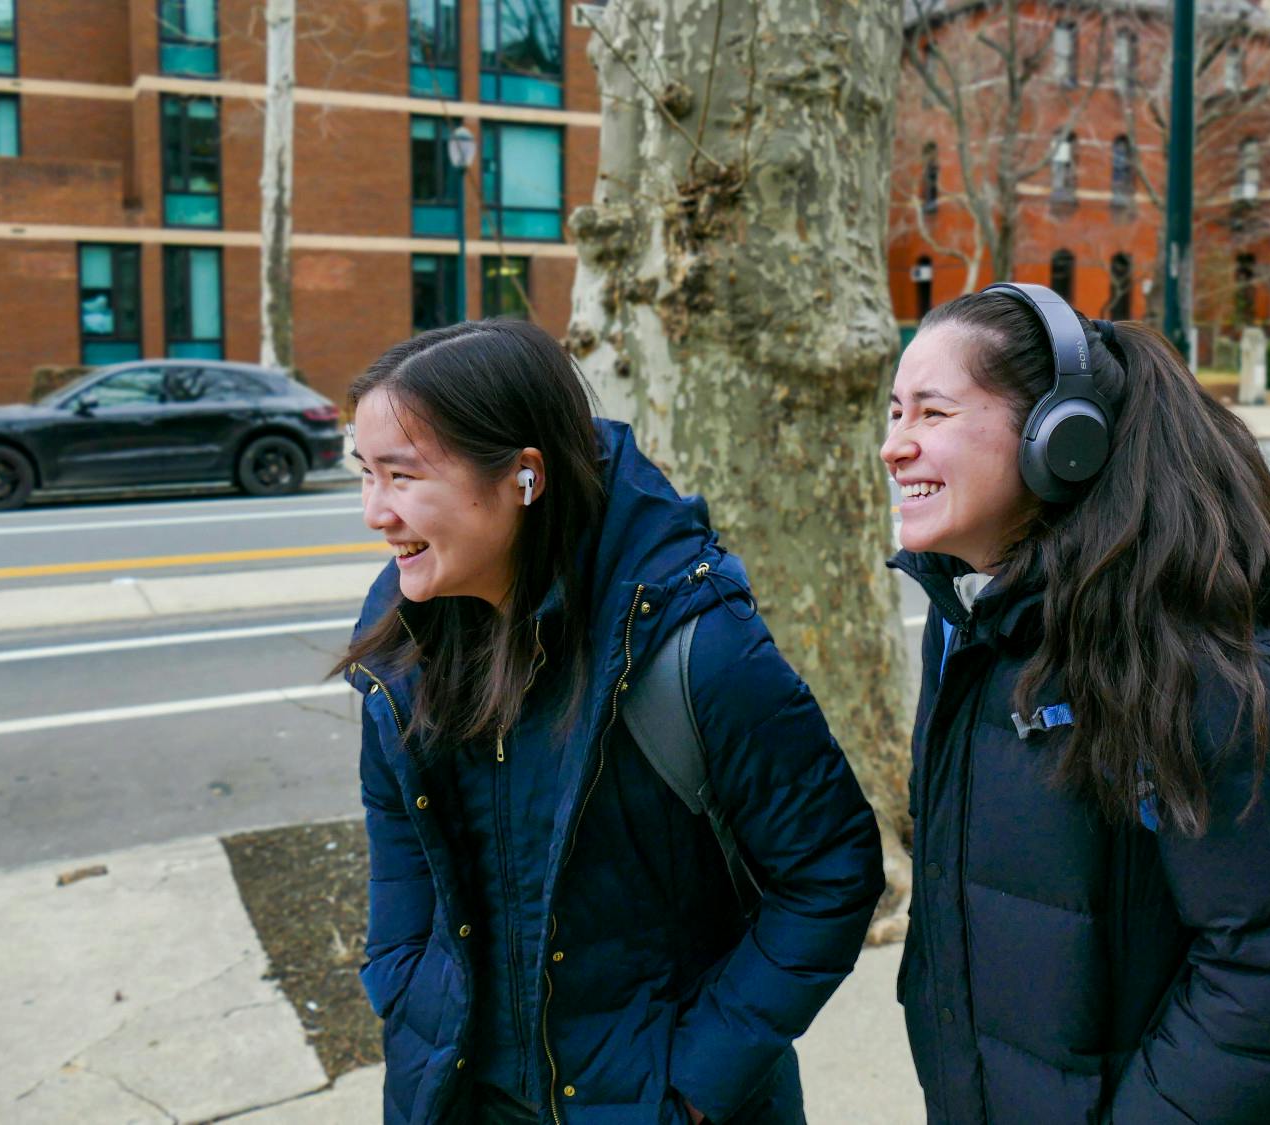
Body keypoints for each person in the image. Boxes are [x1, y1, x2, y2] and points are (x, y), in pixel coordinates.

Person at [337, 320, 883, 1125]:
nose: (374, 512)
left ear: (524, 476)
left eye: (402, 476)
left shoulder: (695, 644)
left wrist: (694, 1087)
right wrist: (402, 980)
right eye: (364, 474)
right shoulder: (405, 639)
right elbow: (402, 853)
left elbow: (830, 870)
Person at [882, 285, 1270, 1123]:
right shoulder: (970, 622)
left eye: (932, 412)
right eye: (894, 413)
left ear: (1059, 439)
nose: (895, 446)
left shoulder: (1190, 650)